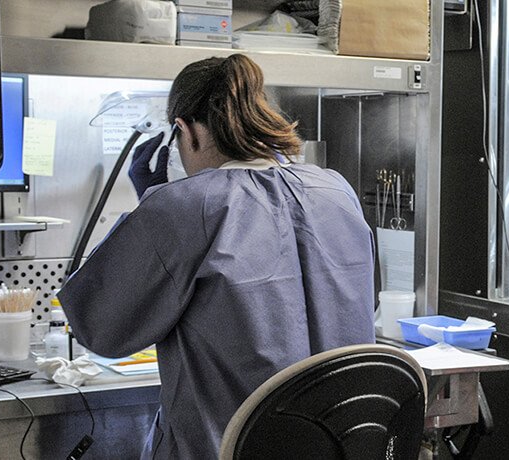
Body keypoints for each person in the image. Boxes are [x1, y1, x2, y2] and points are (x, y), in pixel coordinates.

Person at [58, 54, 375, 459]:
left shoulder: (181, 207)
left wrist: (152, 208)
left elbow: (100, 329)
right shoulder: (335, 190)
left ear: (185, 132)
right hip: (336, 449)